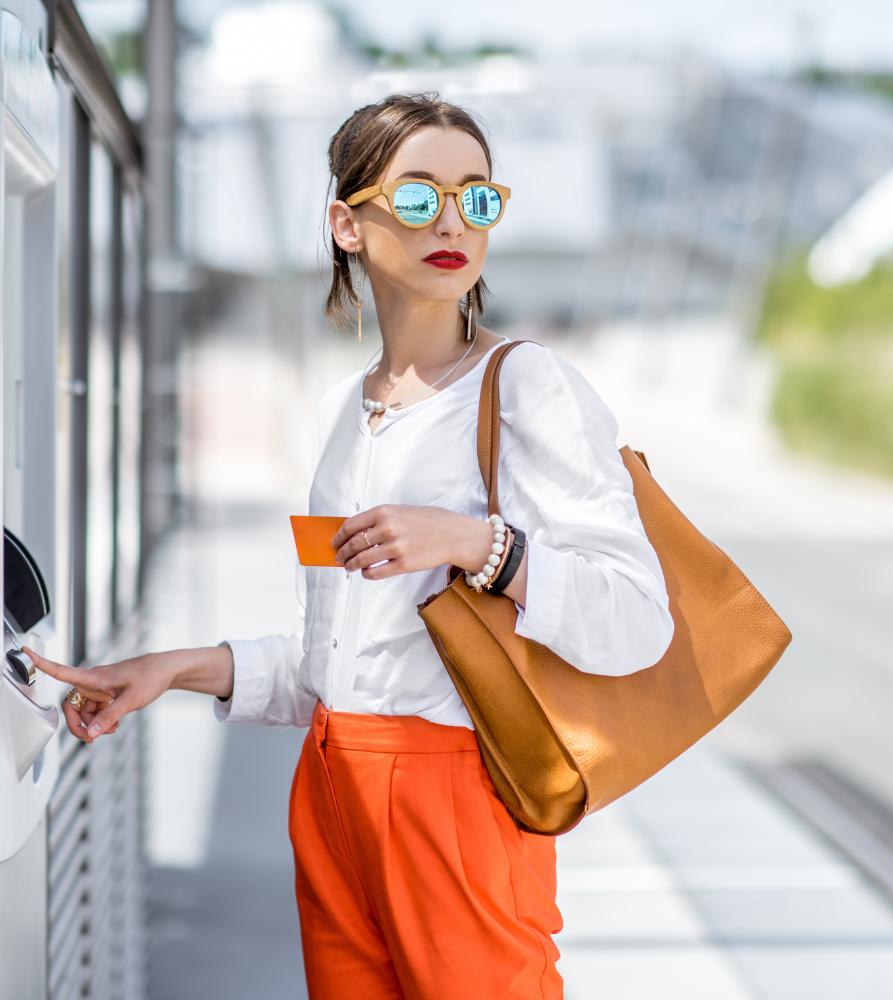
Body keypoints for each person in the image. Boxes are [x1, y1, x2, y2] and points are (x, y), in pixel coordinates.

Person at [27, 92, 674, 1000]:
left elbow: (640, 621)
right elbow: (336, 663)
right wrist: (172, 669)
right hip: (331, 785)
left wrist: (477, 545)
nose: (452, 220)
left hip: (454, 800)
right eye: (417, 197)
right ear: (347, 223)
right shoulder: (343, 414)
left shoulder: (525, 387)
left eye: (476, 197)